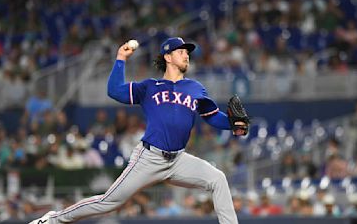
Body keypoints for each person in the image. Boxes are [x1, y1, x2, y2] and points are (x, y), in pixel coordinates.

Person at [29, 37, 247, 224]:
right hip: (149, 158)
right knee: (108, 202)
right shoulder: (149, 87)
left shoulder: (195, 88)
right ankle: (53, 219)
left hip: (178, 160)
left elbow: (212, 116)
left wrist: (232, 124)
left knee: (218, 179)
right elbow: (114, 91)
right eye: (181, 51)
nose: (186, 55)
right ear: (167, 57)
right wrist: (121, 59)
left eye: (187, 52)